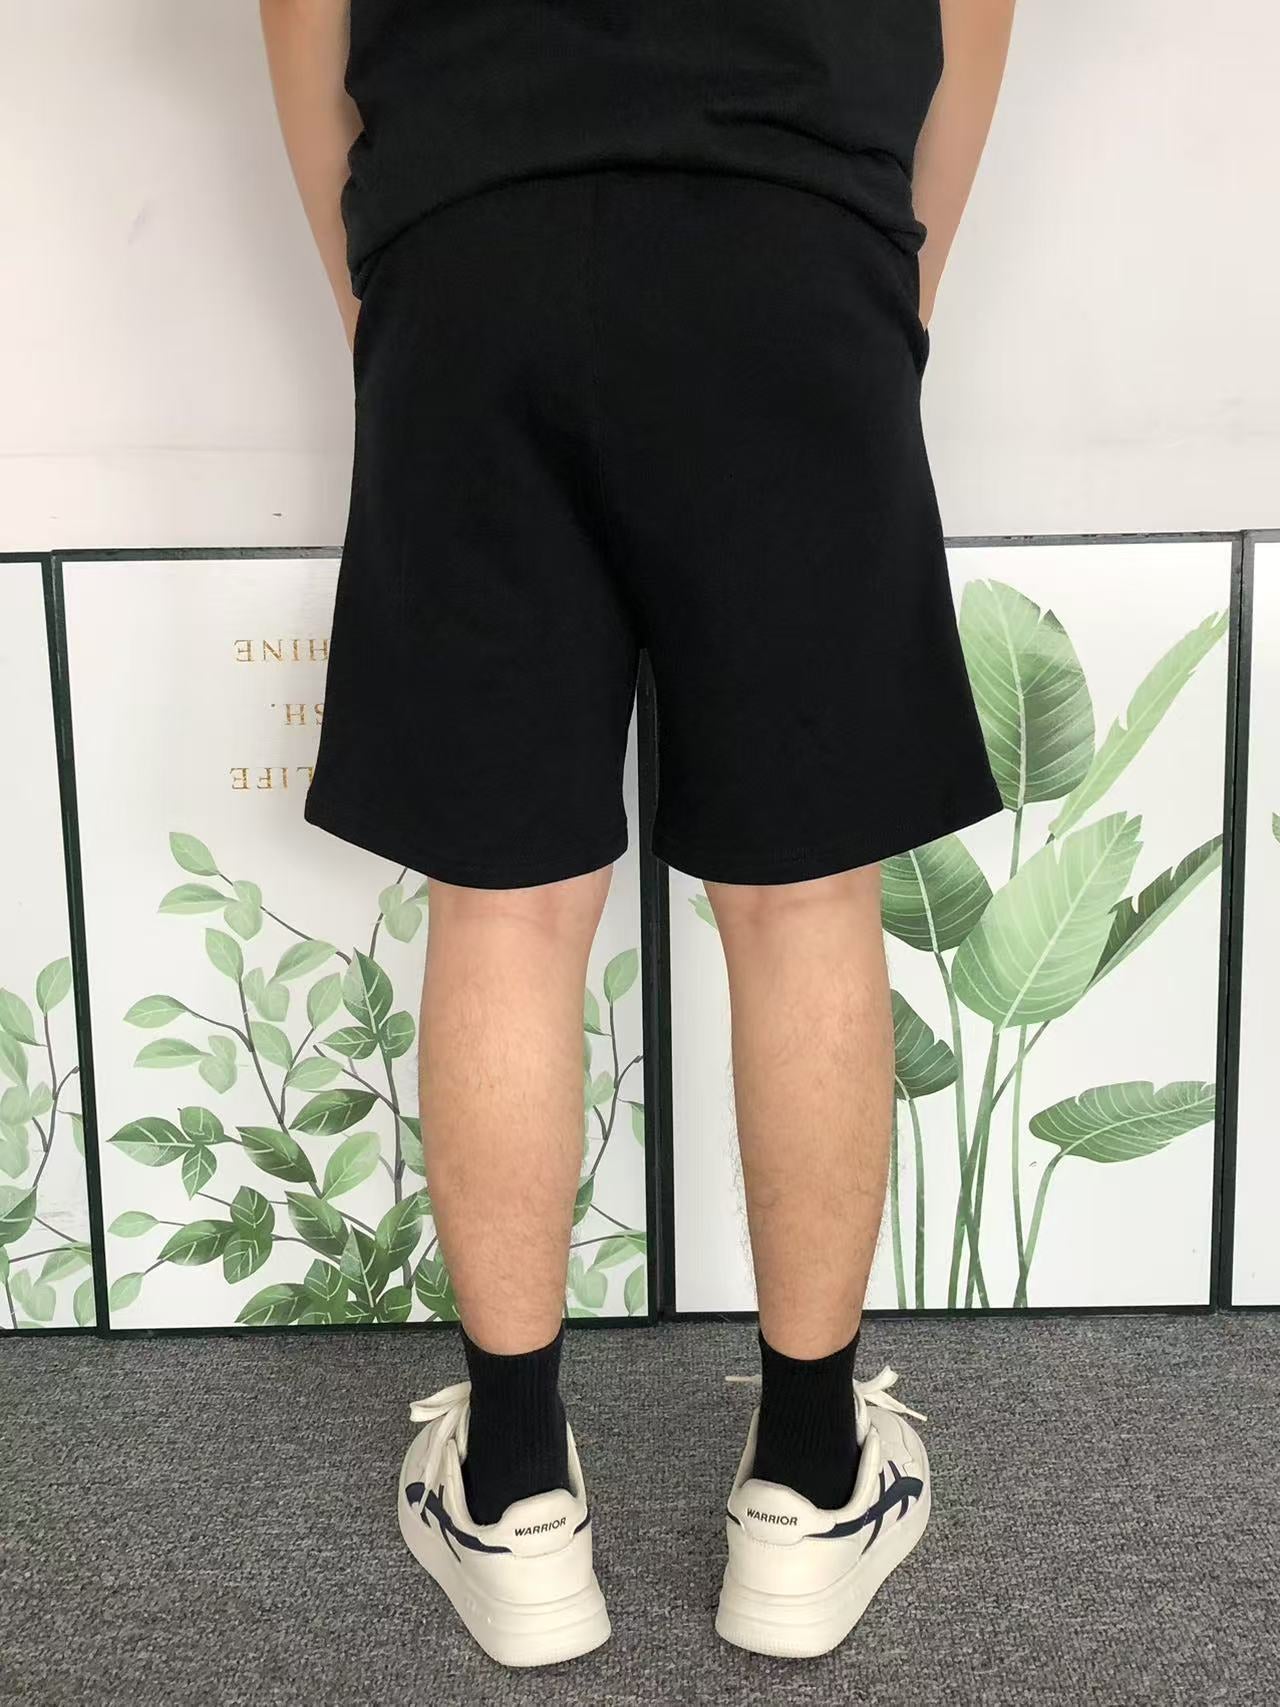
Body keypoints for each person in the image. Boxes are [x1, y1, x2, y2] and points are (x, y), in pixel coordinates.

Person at [260, 0, 1015, 1668]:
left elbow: (301, 8)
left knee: (508, 899)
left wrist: (391, 274)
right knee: (804, 890)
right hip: (791, 226)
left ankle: (512, 1492)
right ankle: (811, 1485)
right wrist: (882, 269)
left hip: (472, 237)